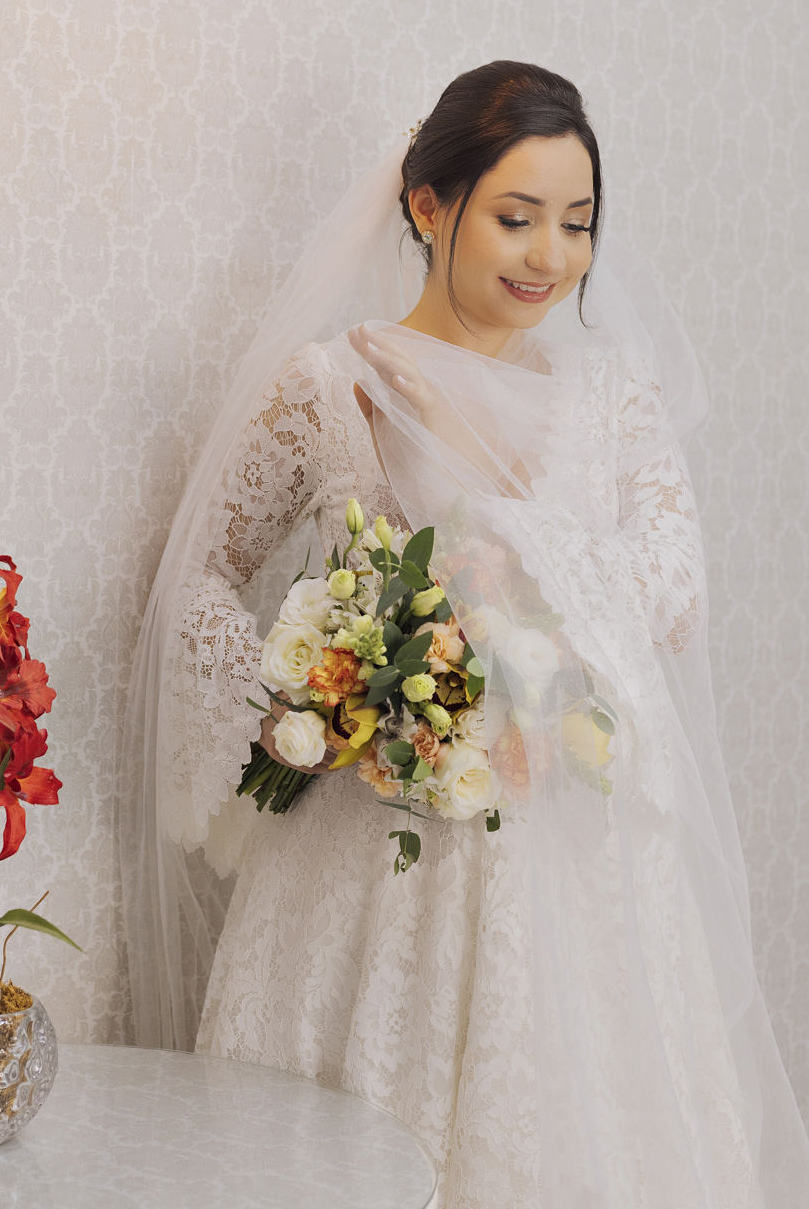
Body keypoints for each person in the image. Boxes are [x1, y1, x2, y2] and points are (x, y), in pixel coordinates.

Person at [121, 62, 809, 1208]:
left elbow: (671, 596)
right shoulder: (328, 383)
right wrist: (301, 703)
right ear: (427, 204)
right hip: (371, 849)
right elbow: (196, 573)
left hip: (579, 861)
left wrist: (462, 461)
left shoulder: (610, 398)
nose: (549, 255)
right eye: (515, 216)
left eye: (576, 224)